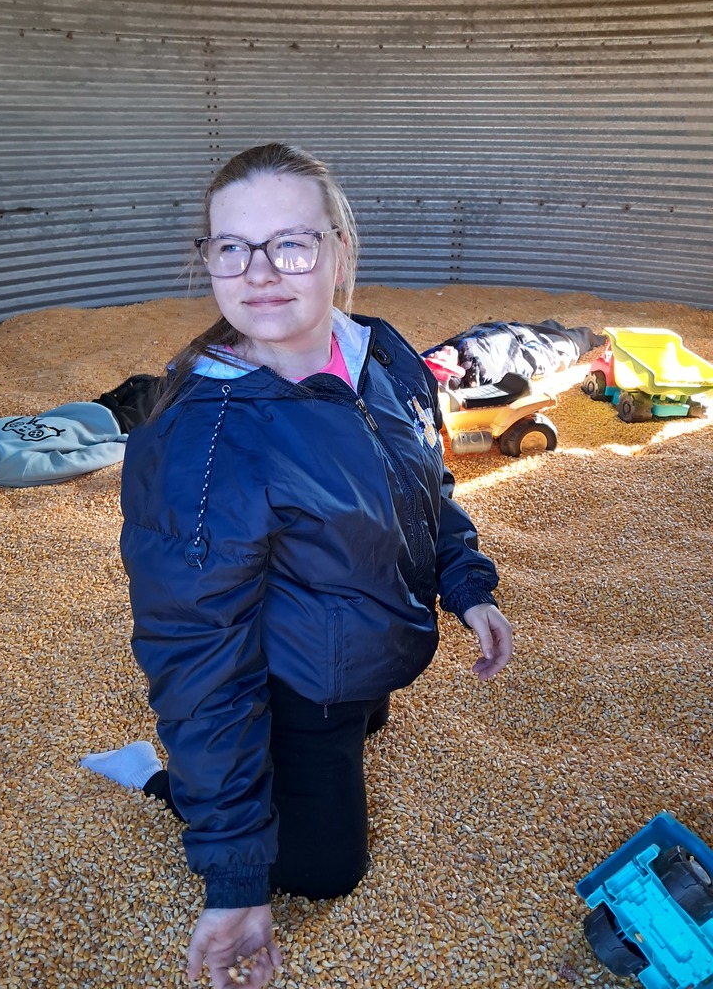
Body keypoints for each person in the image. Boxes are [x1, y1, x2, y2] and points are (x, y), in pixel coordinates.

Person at [84, 143, 514, 989]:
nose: (260, 273)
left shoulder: (382, 355)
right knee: (327, 873)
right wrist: (236, 879)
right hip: (293, 676)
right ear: (207, 258)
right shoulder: (200, 440)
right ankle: (158, 780)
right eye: (231, 247)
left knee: (369, 719)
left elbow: (423, 485)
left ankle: (340, 723)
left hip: (360, 641)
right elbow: (202, 661)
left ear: (339, 249)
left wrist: (465, 584)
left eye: (292, 243)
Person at [0, 374, 160, 500]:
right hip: (118, 426)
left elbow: (31, 421)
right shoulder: (14, 469)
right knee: (171, 387)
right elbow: (72, 462)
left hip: (95, 409)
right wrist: (126, 445)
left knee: (144, 381)